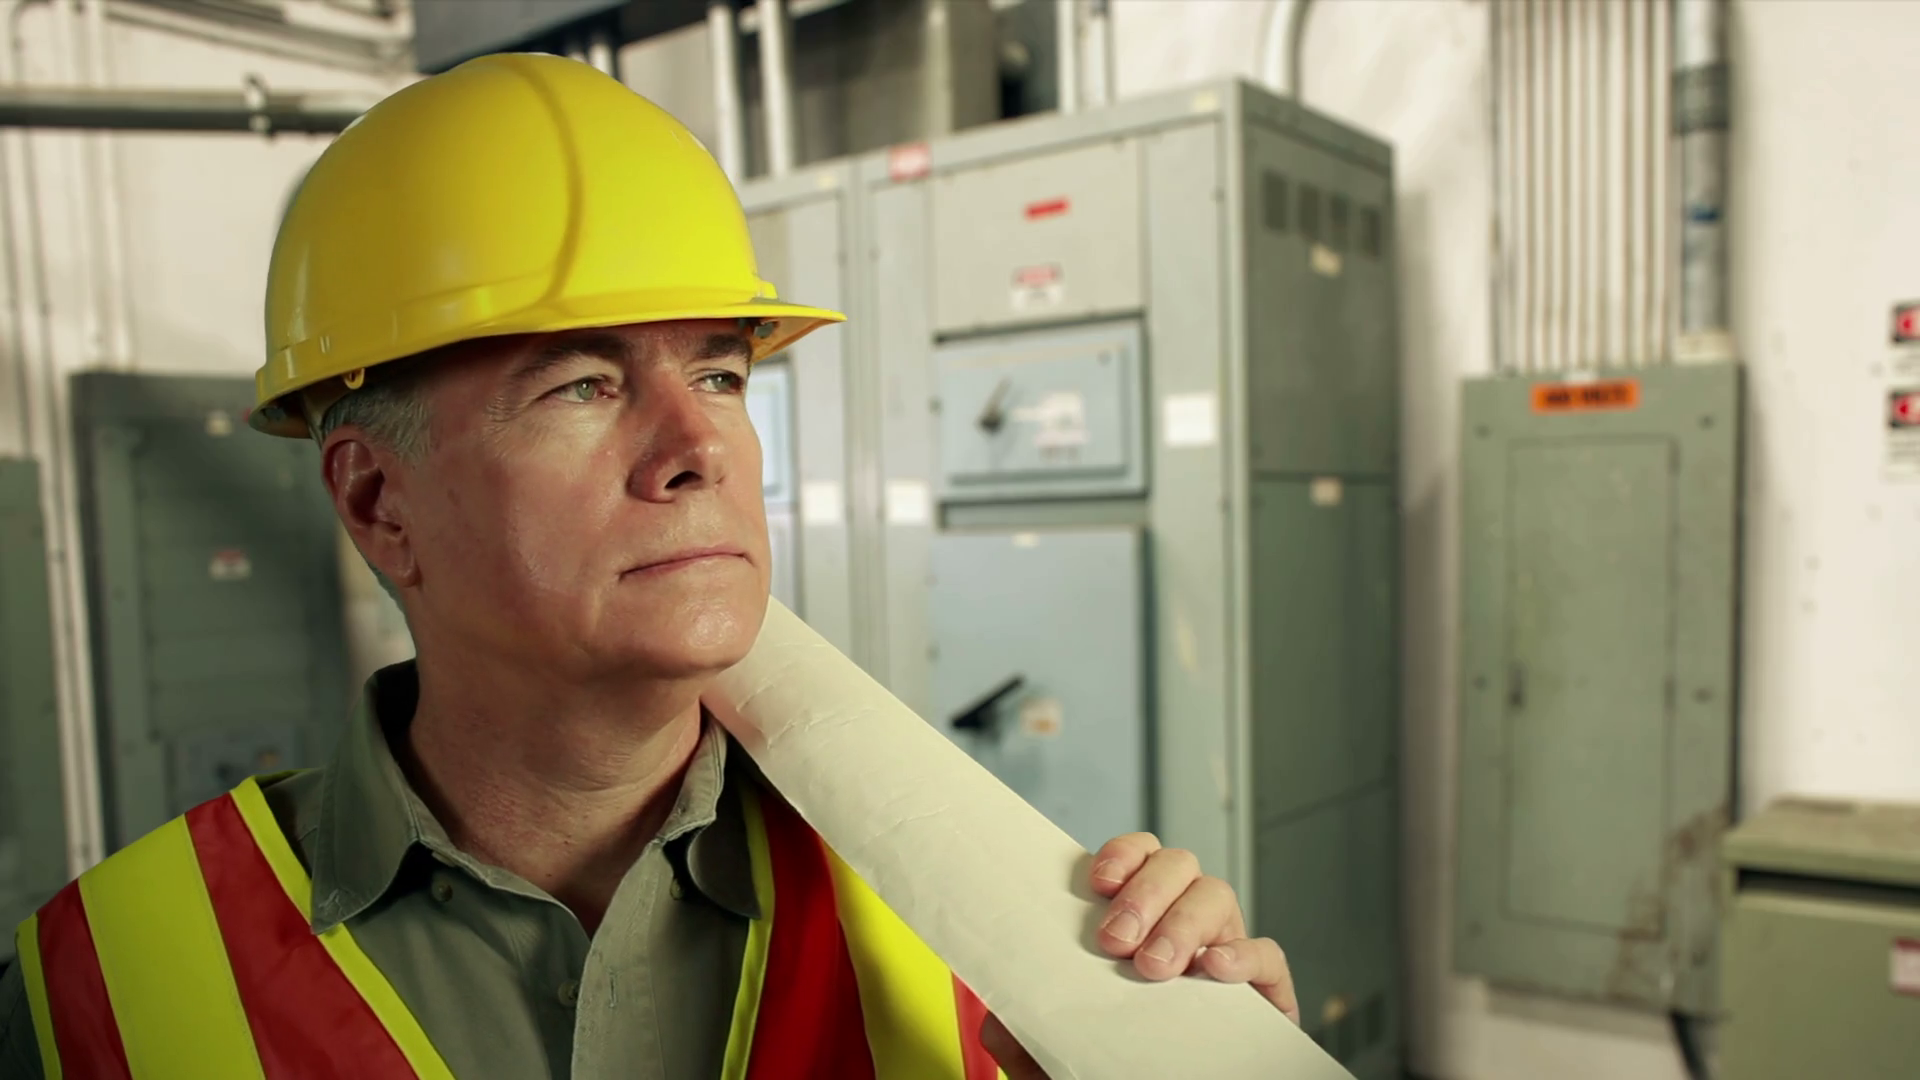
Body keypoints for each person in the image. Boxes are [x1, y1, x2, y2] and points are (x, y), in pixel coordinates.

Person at [0, 53, 1296, 1079]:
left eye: (720, 374)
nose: (699, 448)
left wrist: (1205, 1048)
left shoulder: (978, 916)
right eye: (582, 384)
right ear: (378, 501)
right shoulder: (94, 994)